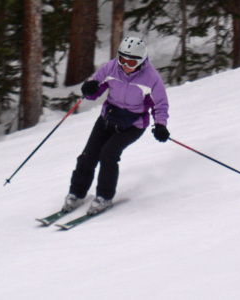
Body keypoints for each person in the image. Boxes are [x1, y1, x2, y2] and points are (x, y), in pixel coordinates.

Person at [62, 36, 170, 215]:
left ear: (142, 61)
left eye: (132, 61)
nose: (126, 65)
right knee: (89, 154)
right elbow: (95, 90)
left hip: (133, 124)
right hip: (108, 118)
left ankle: (104, 196)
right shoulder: (111, 68)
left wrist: (160, 125)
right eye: (122, 59)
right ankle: (77, 193)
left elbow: (160, 104)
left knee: (109, 154)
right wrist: (89, 89)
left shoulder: (151, 78)